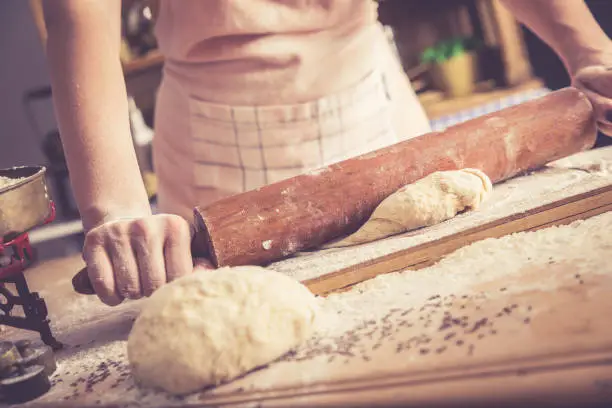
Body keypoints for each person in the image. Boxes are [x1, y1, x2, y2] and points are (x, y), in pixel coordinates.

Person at [42, 0, 612, 306]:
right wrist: (114, 208)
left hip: (377, 119)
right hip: (218, 152)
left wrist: (590, 49)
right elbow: (79, 11)